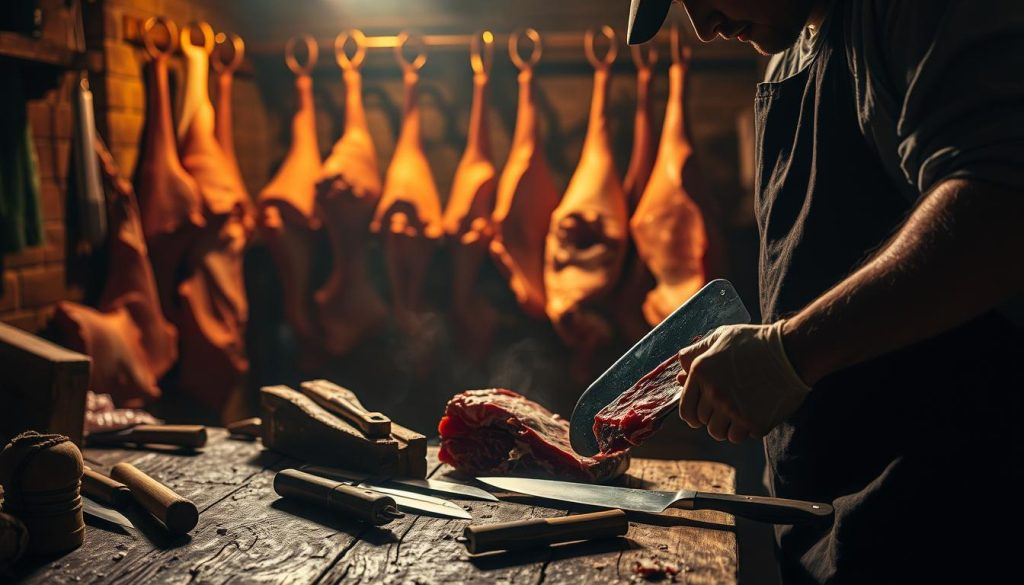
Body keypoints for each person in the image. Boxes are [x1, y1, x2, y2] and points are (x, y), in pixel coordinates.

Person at [625, 0, 1024, 582]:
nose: (703, 27)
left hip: (957, 517)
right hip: (827, 522)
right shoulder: (784, 54)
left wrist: (790, 353)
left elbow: (1002, 206)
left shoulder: (911, 15)